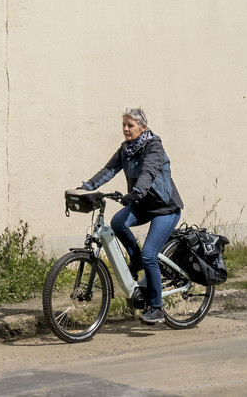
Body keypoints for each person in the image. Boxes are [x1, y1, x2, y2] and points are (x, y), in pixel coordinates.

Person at [76, 107, 184, 324]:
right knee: (117, 223)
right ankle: (135, 261)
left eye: (130, 125)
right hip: (142, 203)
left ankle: (156, 307)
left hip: (165, 208)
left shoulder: (154, 147)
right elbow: (109, 169)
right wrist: (87, 186)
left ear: (143, 128)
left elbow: (149, 173)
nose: (125, 129)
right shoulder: (126, 149)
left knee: (149, 254)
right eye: (124, 125)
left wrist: (135, 193)